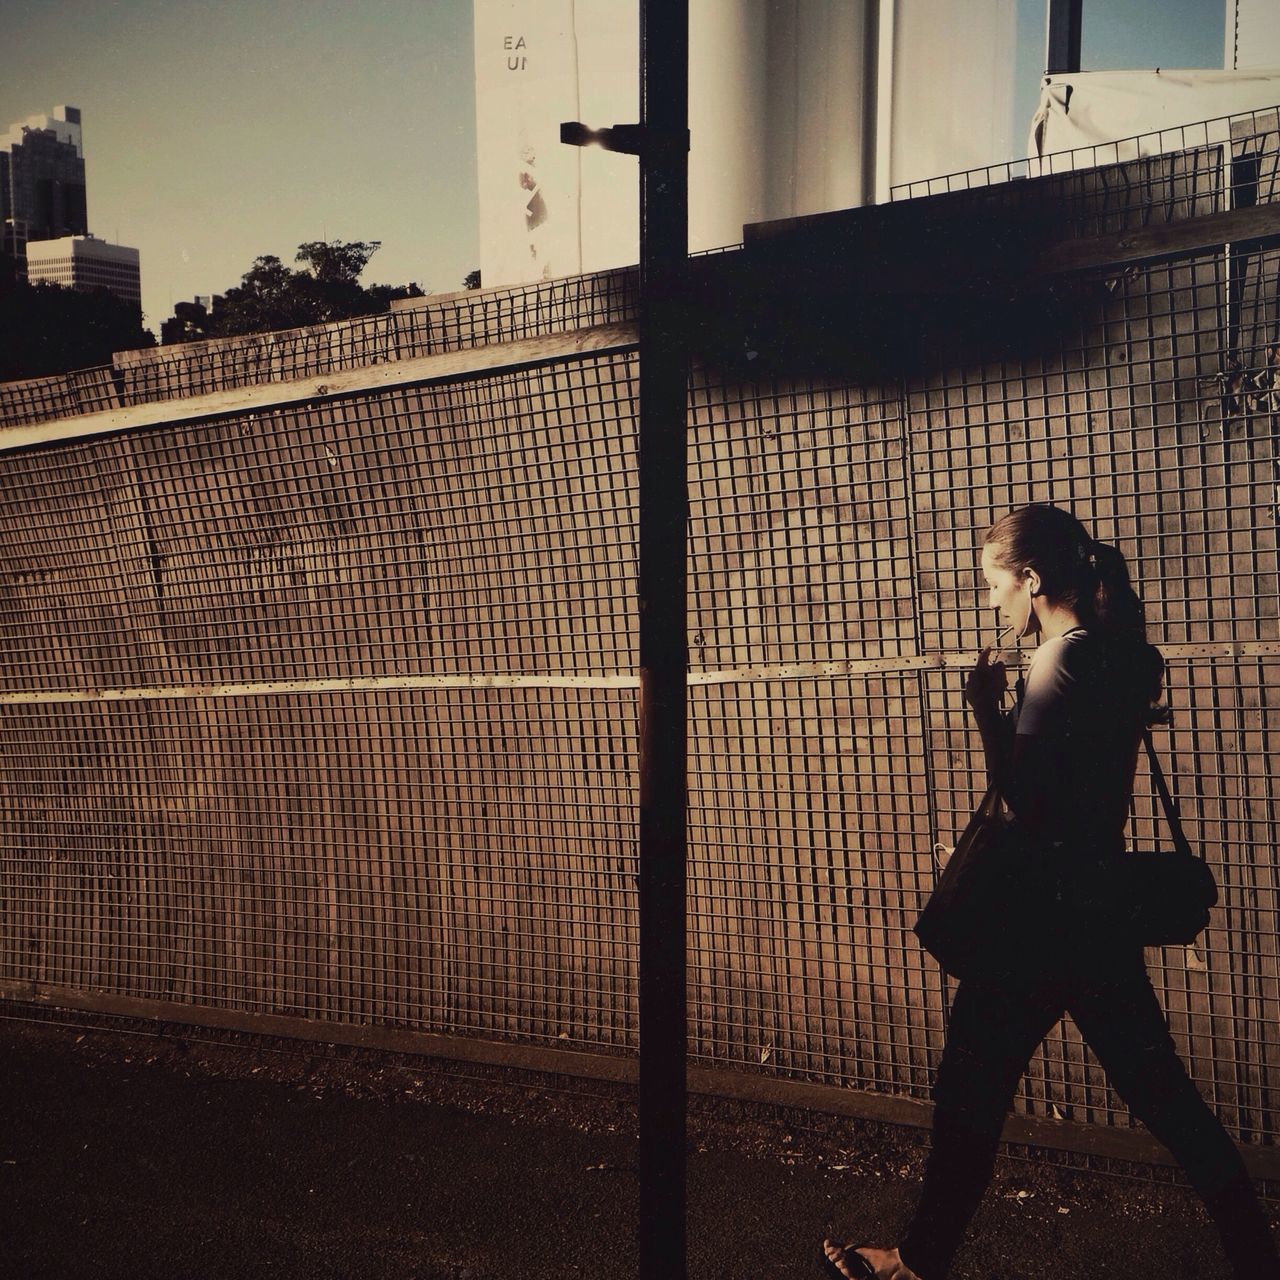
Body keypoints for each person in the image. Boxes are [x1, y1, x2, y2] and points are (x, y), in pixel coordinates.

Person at [823, 503, 1279, 1279]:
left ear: (1031, 580)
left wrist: (983, 713)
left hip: (1034, 921)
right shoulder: (1122, 655)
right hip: (1094, 911)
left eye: (995, 584)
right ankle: (1256, 1249)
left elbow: (1026, 802)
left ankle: (914, 1262)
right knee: (1162, 1094)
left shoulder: (1055, 662)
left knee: (969, 1092)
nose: (991, 601)